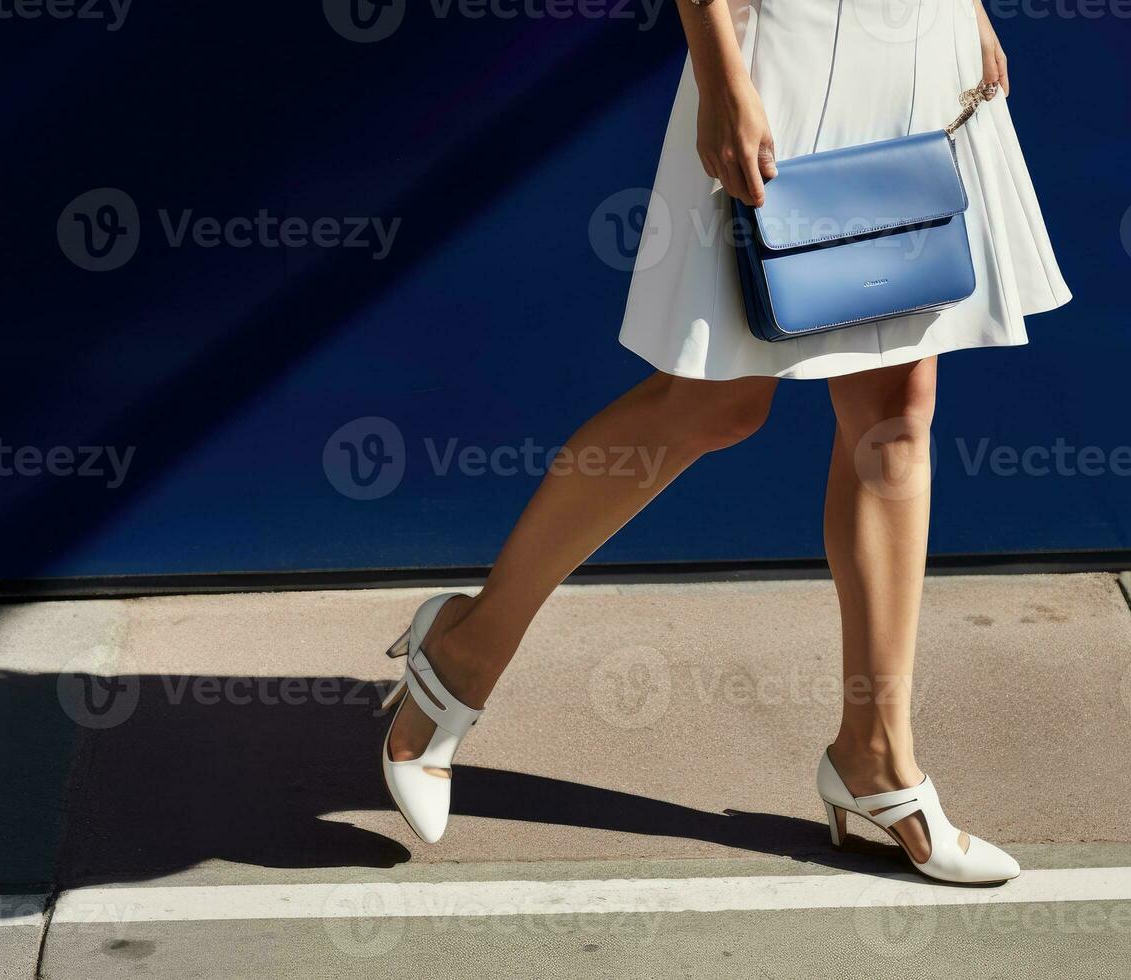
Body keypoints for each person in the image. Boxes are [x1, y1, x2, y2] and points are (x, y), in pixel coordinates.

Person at [380, 0, 1069, 885]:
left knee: (898, 413)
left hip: (920, 44)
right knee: (712, 401)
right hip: (785, 43)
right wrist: (717, 66)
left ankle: (876, 755)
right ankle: (466, 649)